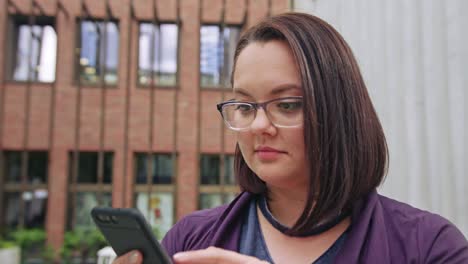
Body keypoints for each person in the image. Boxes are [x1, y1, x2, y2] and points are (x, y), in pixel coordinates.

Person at [114, 12, 468, 264]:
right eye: (245, 105)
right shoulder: (191, 240)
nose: (258, 126)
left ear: (339, 110)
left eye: (286, 104)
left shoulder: (428, 246)